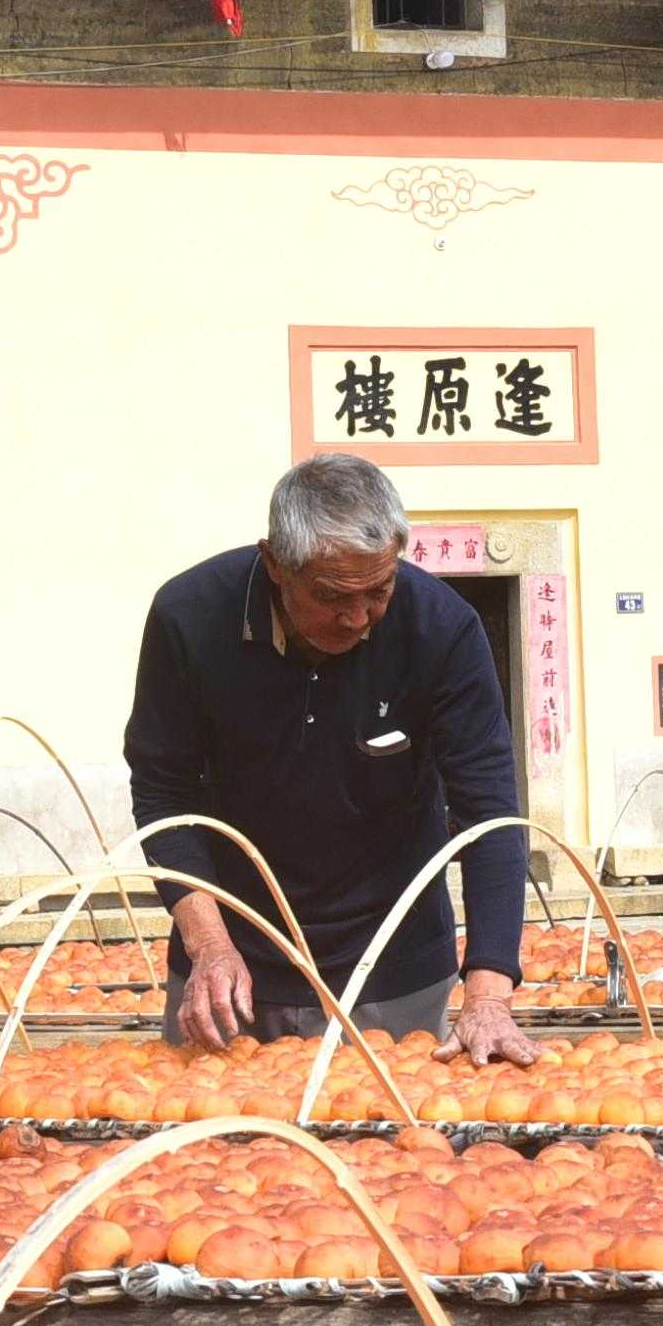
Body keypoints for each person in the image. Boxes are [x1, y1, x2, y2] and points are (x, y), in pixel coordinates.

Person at [126, 452, 544, 1061]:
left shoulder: (442, 629)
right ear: (275, 563)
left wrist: (488, 991)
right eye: (331, 596)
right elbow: (164, 791)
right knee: (213, 1147)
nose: (358, 617)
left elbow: (489, 814)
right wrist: (208, 944)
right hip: (232, 965)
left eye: (379, 591)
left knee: (395, 1149)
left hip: (393, 969)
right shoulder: (190, 617)